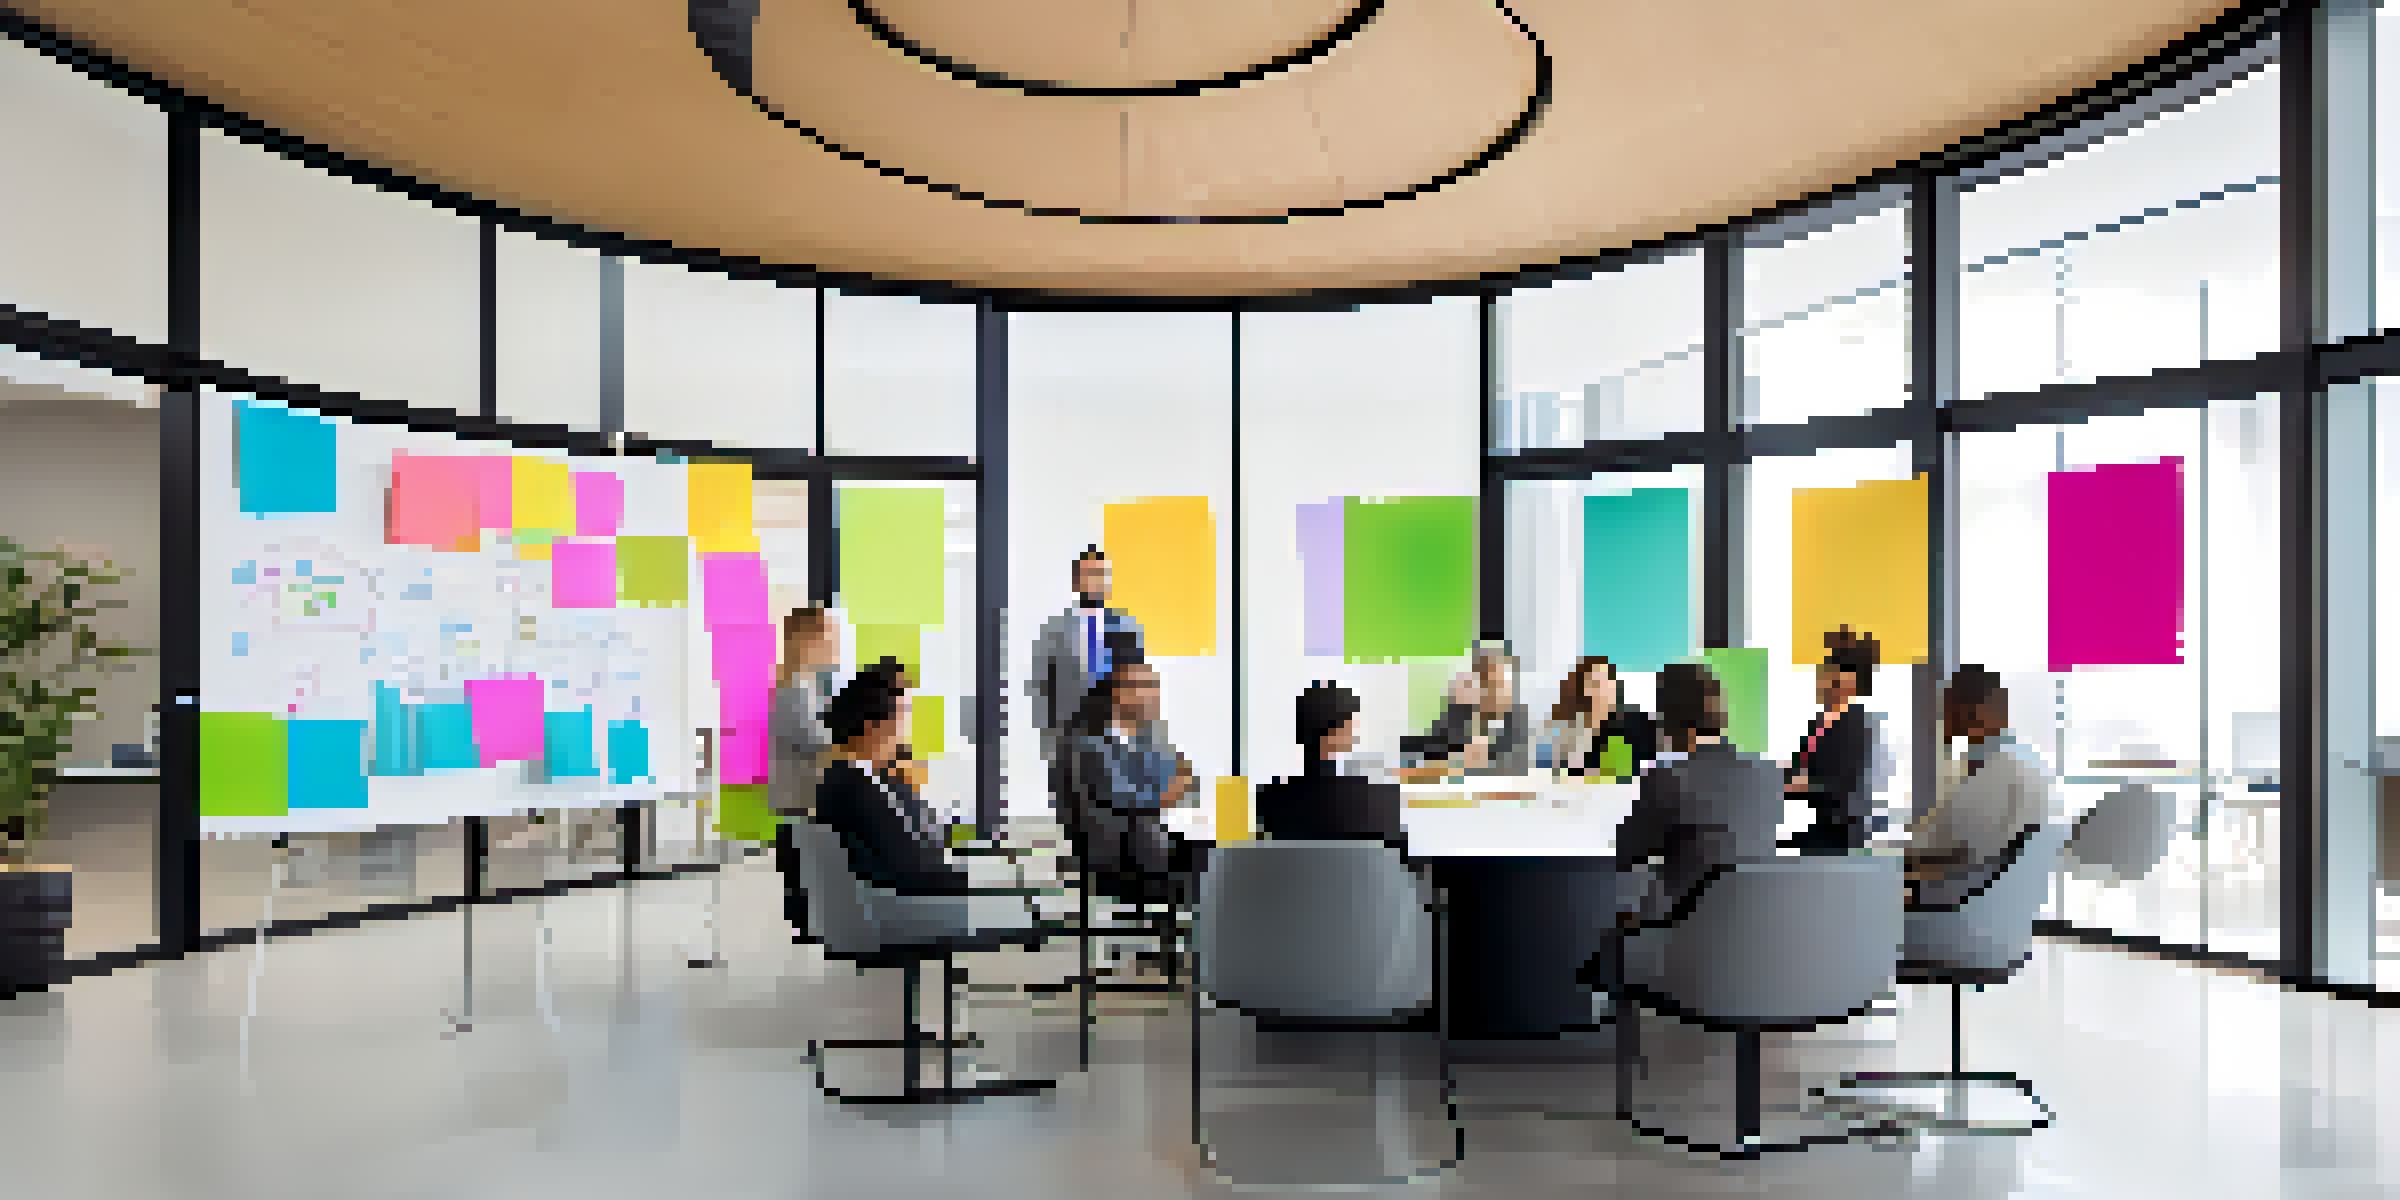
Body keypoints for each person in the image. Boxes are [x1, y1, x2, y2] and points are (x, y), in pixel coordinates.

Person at [1576, 661, 1788, 1000]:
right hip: (1756, 941)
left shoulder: (1669, 778)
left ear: (1668, 720)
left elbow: (1625, 853)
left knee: (1612, 901)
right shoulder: (1767, 775)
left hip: (1686, 945)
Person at [809, 659, 1028, 939]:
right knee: (1022, 905)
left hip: (894, 905)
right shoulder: (855, 788)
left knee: (1011, 892)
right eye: (902, 714)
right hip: (901, 913)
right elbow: (911, 867)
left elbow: (913, 851)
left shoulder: (854, 778)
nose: (905, 728)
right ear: (873, 724)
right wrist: (976, 880)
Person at [1908, 665, 2060, 907]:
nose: (1940, 715)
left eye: (1947, 704)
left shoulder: (1996, 771)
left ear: (1971, 709)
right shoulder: (2026, 763)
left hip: (1963, 906)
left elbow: (1953, 849)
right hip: (2005, 907)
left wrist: (1895, 861)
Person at [1061, 660, 1209, 904]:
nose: (1154, 695)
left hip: (1164, 842)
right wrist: (1164, 793)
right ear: (1119, 694)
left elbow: (1187, 786)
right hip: (1125, 859)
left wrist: (1166, 792)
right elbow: (1127, 797)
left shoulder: (1151, 742)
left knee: (1222, 855)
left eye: (1155, 687)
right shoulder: (1091, 747)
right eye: (1145, 686)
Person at [1028, 547, 1146, 770]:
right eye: (1088, 576)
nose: (1094, 583)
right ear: (1077, 582)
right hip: (1068, 736)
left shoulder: (1127, 630)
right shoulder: (1055, 631)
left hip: (1114, 733)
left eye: (1099, 575)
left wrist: (1135, 735)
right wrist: (1048, 740)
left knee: (1115, 797)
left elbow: (1137, 684)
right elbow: (1042, 686)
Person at [1254, 682, 1406, 848]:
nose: (1355, 731)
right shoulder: (1377, 799)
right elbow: (1400, 863)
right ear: (1336, 732)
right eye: (1350, 723)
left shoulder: (1270, 798)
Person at [1783, 626, 1883, 854]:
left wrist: (1803, 785)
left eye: (1831, 676)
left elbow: (1843, 783)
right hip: (1816, 823)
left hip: (1841, 830)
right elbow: (1798, 767)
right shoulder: (1818, 723)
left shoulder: (1856, 726)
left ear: (1851, 684)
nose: (1822, 680)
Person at [772, 606, 841, 934]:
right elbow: (814, 741)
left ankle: (813, 923)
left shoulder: (804, 684)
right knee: (801, 865)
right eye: (827, 635)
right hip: (799, 795)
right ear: (806, 639)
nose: (833, 643)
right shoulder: (792, 688)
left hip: (803, 793)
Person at [1403, 641, 1531, 775]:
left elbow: (1516, 767)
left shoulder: (1517, 718)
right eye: (1485, 676)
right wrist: (1459, 761)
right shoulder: (1460, 711)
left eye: (1502, 678)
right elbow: (1424, 749)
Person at [1539, 656, 1661, 778]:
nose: (1605, 688)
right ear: (1581, 690)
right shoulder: (1568, 730)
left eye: (1608, 680)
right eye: (1596, 683)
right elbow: (1562, 772)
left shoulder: (1639, 722)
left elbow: (1649, 769)